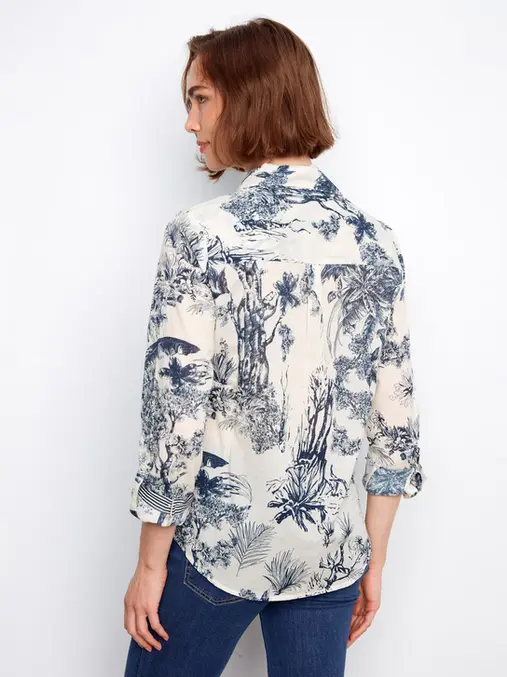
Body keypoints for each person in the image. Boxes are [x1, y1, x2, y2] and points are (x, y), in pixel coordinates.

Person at [123, 16, 426, 677]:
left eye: (200, 99)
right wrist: (373, 560)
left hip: (216, 551)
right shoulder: (376, 241)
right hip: (331, 556)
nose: (190, 122)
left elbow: (175, 414)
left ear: (248, 96)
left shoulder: (201, 235)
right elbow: (395, 422)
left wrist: (149, 566)